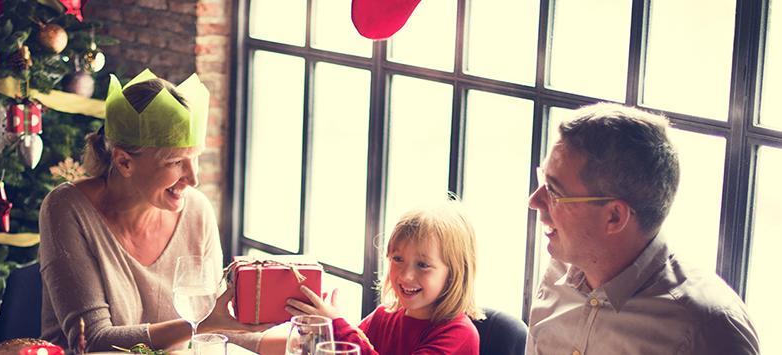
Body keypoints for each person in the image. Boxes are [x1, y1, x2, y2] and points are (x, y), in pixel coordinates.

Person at [39, 69, 269, 352]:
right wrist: (204, 323)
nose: (193, 179)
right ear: (124, 162)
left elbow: (221, 326)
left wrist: (307, 336)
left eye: (195, 158)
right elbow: (94, 341)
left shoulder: (197, 210)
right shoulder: (66, 208)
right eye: (175, 162)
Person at [526, 103, 759, 354]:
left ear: (614, 217)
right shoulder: (558, 275)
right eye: (544, 180)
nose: (534, 201)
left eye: (554, 191)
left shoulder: (710, 330)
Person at [287, 201, 482, 355]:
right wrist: (317, 332)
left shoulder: (459, 335)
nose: (406, 275)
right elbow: (343, 347)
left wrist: (337, 325)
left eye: (423, 265)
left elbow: (351, 342)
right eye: (398, 259)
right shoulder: (383, 316)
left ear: (455, 273)